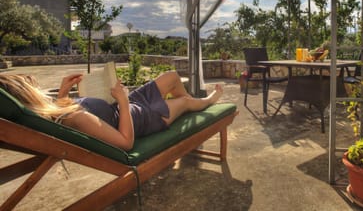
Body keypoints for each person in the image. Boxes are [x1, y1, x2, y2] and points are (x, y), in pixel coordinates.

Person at [0, 71, 223, 150]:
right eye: (36, 89)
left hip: (129, 105)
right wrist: (124, 102)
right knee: (183, 103)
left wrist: (62, 96)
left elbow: (62, 116)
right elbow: (126, 142)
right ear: (30, 96)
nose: (42, 90)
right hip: (143, 118)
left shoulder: (56, 114)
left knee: (173, 77)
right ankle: (208, 101)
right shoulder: (76, 118)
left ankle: (193, 103)